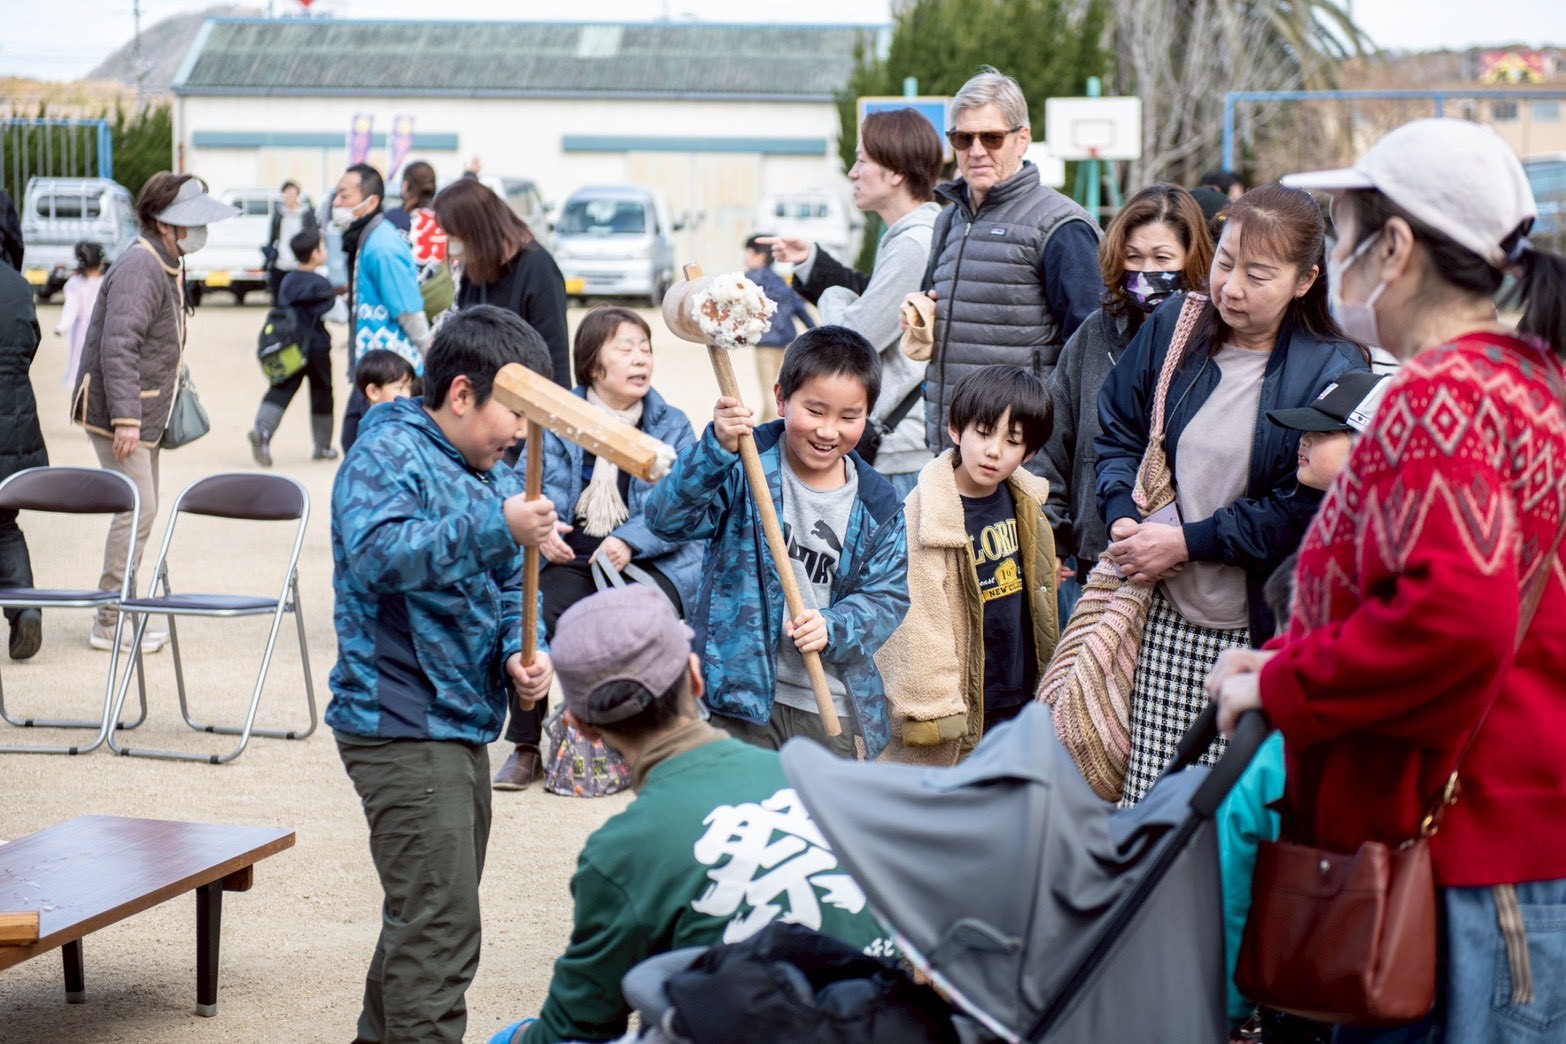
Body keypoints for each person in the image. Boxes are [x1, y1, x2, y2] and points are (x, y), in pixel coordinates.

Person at [1209, 117, 1566, 1044]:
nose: (1340, 259)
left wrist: (1284, 680)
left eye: (1346, 231)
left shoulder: (1437, 395)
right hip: (1512, 857)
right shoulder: (1531, 385)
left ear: (1396, 245)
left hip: (1462, 871)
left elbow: (1455, 615)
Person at [487, 585, 894, 1044]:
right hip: (892, 1020)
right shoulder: (826, 782)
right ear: (696, 678)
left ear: (581, 727)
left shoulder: (622, 850)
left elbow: (574, 1028)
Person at [327, 305, 558, 1044]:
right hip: (399, 720)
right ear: (462, 394)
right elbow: (378, 554)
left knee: (425, 919)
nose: (520, 436)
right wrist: (502, 528)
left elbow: (505, 590)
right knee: (441, 928)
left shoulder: (487, 471)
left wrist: (522, 653)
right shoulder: (388, 450)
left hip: (457, 721)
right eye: (512, 416)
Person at [1095, 183, 1367, 806]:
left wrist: (1188, 542)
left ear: (1305, 281)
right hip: (1157, 616)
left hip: (1255, 634)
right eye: (1224, 262)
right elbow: (1117, 430)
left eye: (1258, 274)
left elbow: (1305, 508)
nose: (1231, 287)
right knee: (1149, 814)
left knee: (1231, 827)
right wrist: (1121, 517)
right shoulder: (1174, 327)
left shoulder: (1334, 366)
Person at [1216, 368, 1388, 1043]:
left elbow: (1234, 868)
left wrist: (1224, 1010)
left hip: (1301, 956)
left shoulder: (1349, 553)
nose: (1303, 444)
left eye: (1324, 433)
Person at [644, 326, 909, 760]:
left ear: (868, 414)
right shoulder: (744, 462)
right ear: (781, 397)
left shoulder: (878, 504)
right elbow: (666, 520)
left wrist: (834, 624)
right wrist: (715, 450)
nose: (828, 431)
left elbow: (888, 598)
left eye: (848, 417)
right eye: (815, 410)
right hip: (738, 696)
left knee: (817, 824)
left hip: (829, 703)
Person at [493, 307, 700, 791]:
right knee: (533, 615)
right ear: (591, 364)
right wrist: (538, 526)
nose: (640, 359)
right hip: (568, 551)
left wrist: (630, 540)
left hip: (649, 559)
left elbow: (686, 506)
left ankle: (646, 745)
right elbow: (514, 479)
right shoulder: (557, 412)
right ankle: (526, 747)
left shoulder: (671, 424)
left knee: (638, 624)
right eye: (624, 348)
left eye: (645, 348)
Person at [69, 172, 236, 655]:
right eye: (191, 222)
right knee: (136, 510)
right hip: (125, 415)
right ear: (166, 224)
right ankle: (108, 618)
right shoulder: (143, 265)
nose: (199, 232)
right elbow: (119, 346)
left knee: (141, 508)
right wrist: (125, 418)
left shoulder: (162, 260)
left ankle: (123, 607)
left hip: (140, 412)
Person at [1039, 185, 1214, 622]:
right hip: (1095, 558)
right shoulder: (1095, 335)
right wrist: (1054, 534)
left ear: (1193, 260)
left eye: (1162, 259)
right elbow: (1051, 439)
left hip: (1189, 570)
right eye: (1133, 258)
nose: (1145, 272)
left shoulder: (1217, 340)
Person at [909, 66, 1104, 455]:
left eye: (992, 137)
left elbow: (1091, 353)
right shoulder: (949, 217)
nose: (976, 150)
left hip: (1022, 455)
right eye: (963, 138)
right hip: (951, 449)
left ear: (1023, 139)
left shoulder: (1062, 226)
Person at [876, 365, 1058, 766]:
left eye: (1012, 442)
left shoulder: (1026, 503)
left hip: (1019, 684)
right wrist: (934, 703)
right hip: (964, 694)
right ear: (957, 430)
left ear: (1028, 453)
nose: (994, 451)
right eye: (983, 432)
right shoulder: (924, 514)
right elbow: (916, 617)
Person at [762, 108, 945, 498]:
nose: (853, 172)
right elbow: (874, 297)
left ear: (895, 172)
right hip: (903, 443)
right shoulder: (913, 234)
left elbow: (853, 337)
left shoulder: (913, 242)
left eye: (862, 160)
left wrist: (834, 297)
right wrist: (814, 259)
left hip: (901, 452)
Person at [433, 177, 569, 389]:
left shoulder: (537, 268)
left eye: (453, 236)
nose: (450, 245)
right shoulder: (476, 267)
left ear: (476, 231)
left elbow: (555, 355)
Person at [335, 162, 428, 452]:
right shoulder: (366, 239)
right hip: (373, 365)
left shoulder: (383, 244)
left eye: (344, 196)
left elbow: (408, 307)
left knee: (369, 448)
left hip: (391, 373)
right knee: (354, 440)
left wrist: (427, 349)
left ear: (371, 201)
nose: (336, 203)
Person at [249, 229, 337, 465]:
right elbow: (333, 311)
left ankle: (263, 430)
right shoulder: (321, 283)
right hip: (316, 345)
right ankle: (323, 446)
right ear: (316, 254)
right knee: (322, 391)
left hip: (289, 345)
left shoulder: (288, 280)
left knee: (281, 387)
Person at [0, 257, 46, 660]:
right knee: (3, 523)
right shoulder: (18, 284)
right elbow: (32, 342)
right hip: (15, 419)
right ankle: (25, 608)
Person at [742, 235, 816, 421]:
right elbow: (800, 308)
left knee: (769, 389)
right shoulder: (780, 281)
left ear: (760, 256)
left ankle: (766, 429)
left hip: (766, 343)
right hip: (788, 342)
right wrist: (816, 332)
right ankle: (764, 426)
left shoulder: (748, 280)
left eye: (748, 253)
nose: (745, 257)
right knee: (782, 386)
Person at [383, 161, 451, 317]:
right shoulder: (446, 220)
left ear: (405, 186)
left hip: (402, 308)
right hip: (442, 305)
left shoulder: (390, 221)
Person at [54, 240, 105, 390]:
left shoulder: (76, 283)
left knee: (79, 357)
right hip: (98, 325)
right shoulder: (104, 281)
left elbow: (71, 308)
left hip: (83, 327)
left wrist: (63, 326)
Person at [265, 180, 317, 303]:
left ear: (297, 195)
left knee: (298, 296)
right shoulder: (279, 213)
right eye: (287, 193)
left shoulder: (306, 212)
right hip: (281, 260)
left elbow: (313, 233)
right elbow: (272, 236)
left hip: (300, 260)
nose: (289, 197)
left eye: (292, 193)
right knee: (279, 296)